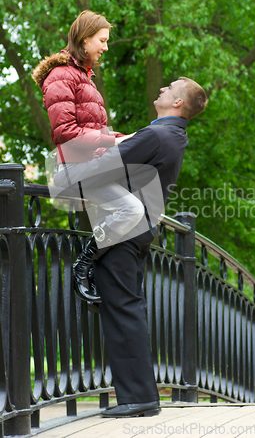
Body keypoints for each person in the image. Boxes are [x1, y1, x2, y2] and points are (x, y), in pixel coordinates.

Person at [71, 76, 208, 417]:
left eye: (170, 88)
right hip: (138, 231)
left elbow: (100, 170)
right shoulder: (173, 135)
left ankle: (138, 398)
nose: (161, 88)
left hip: (124, 234)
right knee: (127, 309)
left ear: (177, 103)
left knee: (123, 311)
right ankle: (140, 396)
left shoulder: (157, 134)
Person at [31, 10, 144, 302]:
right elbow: (66, 133)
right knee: (132, 210)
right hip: (72, 170)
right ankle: (83, 267)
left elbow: (93, 130)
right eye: (102, 40)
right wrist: (113, 142)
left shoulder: (84, 76)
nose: (106, 47)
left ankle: (102, 271)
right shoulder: (61, 76)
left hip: (91, 167)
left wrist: (125, 138)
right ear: (84, 40)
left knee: (143, 203)